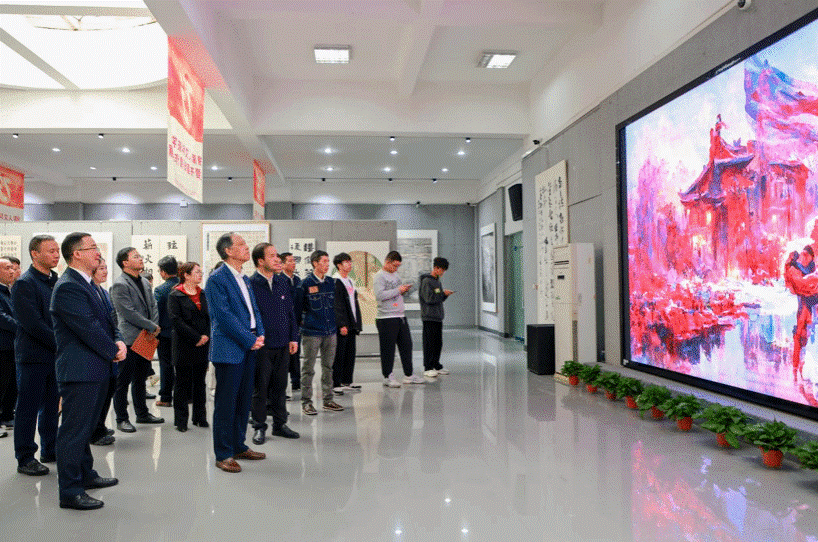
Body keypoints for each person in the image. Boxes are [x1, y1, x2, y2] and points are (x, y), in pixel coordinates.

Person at [51, 232, 126, 510]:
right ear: (77, 254)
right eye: (92, 247)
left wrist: (118, 340)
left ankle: (86, 474)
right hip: (80, 370)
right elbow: (88, 328)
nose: (98, 252)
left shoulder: (90, 284)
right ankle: (70, 491)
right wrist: (113, 350)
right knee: (73, 432)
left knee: (85, 429)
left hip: (97, 367)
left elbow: (109, 319)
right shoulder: (68, 287)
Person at [205, 233, 266, 473]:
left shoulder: (244, 278)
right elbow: (224, 317)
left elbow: (254, 310)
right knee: (226, 403)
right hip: (230, 348)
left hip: (249, 345)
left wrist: (259, 333)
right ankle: (223, 454)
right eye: (241, 244)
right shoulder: (217, 279)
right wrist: (250, 340)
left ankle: (239, 445)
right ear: (228, 251)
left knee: (243, 400)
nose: (246, 247)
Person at [12, 236, 60, 475]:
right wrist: (60, 342)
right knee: (28, 408)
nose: (56, 255)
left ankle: (49, 449)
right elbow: (33, 324)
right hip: (33, 356)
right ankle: (25, 457)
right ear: (35, 253)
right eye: (51, 251)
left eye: (58, 250)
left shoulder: (55, 281)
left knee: (52, 406)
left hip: (54, 356)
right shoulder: (25, 283)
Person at [249, 243, 299, 444]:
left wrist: (293, 337)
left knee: (280, 387)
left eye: (277, 255)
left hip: (283, 343)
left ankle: (280, 424)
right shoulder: (250, 284)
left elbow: (290, 312)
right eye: (272, 256)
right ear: (260, 261)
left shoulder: (282, 282)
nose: (278, 259)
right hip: (261, 345)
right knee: (260, 389)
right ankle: (259, 426)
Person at [110, 247, 164, 433]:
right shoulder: (119, 284)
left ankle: (142, 414)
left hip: (147, 337)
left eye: (140, 256)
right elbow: (128, 312)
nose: (141, 259)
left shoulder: (144, 281)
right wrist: (151, 326)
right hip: (130, 339)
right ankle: (122, 419)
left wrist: (153, 326)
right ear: (125, 263)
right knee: (122, 381)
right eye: (136, 257)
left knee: (141, 379)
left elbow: (153, 306)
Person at [298, 250, 343, 415]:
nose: (327, 264)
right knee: (308, 368)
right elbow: (298, 310)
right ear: (315, 263)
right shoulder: (305, 284)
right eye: (323, 261)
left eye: (328, 261)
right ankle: (306, 402)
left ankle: (328, 400)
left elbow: (336, 307)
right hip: (312, 333)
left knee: (328, 367)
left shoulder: (332, 282)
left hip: (330, 332)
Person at [167, 262, 210, 432]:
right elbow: (176, 320)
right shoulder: (176, 295)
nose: (200, 274)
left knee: (200, 382)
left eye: (201, 272)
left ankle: (200, 417)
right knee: (182, 383)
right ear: (186, 275)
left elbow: (209, 318)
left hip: (202, 344)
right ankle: (181, 420)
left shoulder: (202, 293)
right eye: (197, 272)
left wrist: (205, 336)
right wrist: (196, 337)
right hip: (184, 344)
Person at [374, 251, 424, 387]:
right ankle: (387, 376)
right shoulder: (379, 276)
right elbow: (379, 295)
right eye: (394, 265)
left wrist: (404, 290)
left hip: (400, 316)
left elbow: (397, 292)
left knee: (406, 346)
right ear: (387, 262)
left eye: (398, 266)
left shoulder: (396, 275)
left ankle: (409, 374)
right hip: (386, 318)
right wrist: (398, 290)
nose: (396, 269)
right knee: (388, 349)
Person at [89, 258, 117, 446]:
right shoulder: (88, 291)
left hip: (111, 350)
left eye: (106, 268)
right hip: (99, 351)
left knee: (108, 391)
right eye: (101, 268)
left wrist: (117, 341)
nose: (105, 271)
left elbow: (114, 320)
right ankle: (94, 432)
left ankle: (100, 426)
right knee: (97, 395)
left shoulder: (104, 292)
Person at [332, 252, 362, 393]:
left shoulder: (349, 280)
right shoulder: (336, 281)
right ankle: (336, 382)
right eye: (346, 262)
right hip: (343, 324)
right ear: (339, 265)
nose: (350, 264)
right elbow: (337, 305)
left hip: (351, 322)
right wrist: (341, 324)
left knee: (350, 353)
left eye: (350, 262)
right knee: (340, 354)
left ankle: (347, 380)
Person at [419, 257, 454, 377]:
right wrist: (442, 294)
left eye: (444, 270)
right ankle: (428, 367)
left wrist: (445, 295)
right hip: (429, 317)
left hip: (437, 317)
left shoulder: (437, 281)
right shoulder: (426, 281)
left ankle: (436, 365)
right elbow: (429, 299)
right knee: (429, 343)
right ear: (435, 268)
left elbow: (438, 299)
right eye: (442, 270)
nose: (443, 272)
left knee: (437, 343)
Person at [153, 256, 179, 408]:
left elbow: (156, 313)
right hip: (183, 334)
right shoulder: (184, 286)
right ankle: (186, 396)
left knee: (166, 365)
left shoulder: (160, 290)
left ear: (163, 272)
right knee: (183, 365)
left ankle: (165, 397)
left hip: (165, 334)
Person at [280, 252, 302, 396]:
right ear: (282, 264)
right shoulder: (279, 280)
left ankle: (296, 382)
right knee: (284, 354)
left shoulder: (298, 280)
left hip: (297, 321)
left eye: (294, 261)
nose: (293, 263)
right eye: (290, 261)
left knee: (296, 352)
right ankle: (284, 385)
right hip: (284, 322)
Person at [0, 257, 17, 431]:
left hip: (12, 345)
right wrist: (23, 328)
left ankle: (6, 416)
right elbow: (3, 318)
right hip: (3, 346)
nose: (12, 271)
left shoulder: (9, 290)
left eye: (12, 268)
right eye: (7, 268)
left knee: (11, 383)